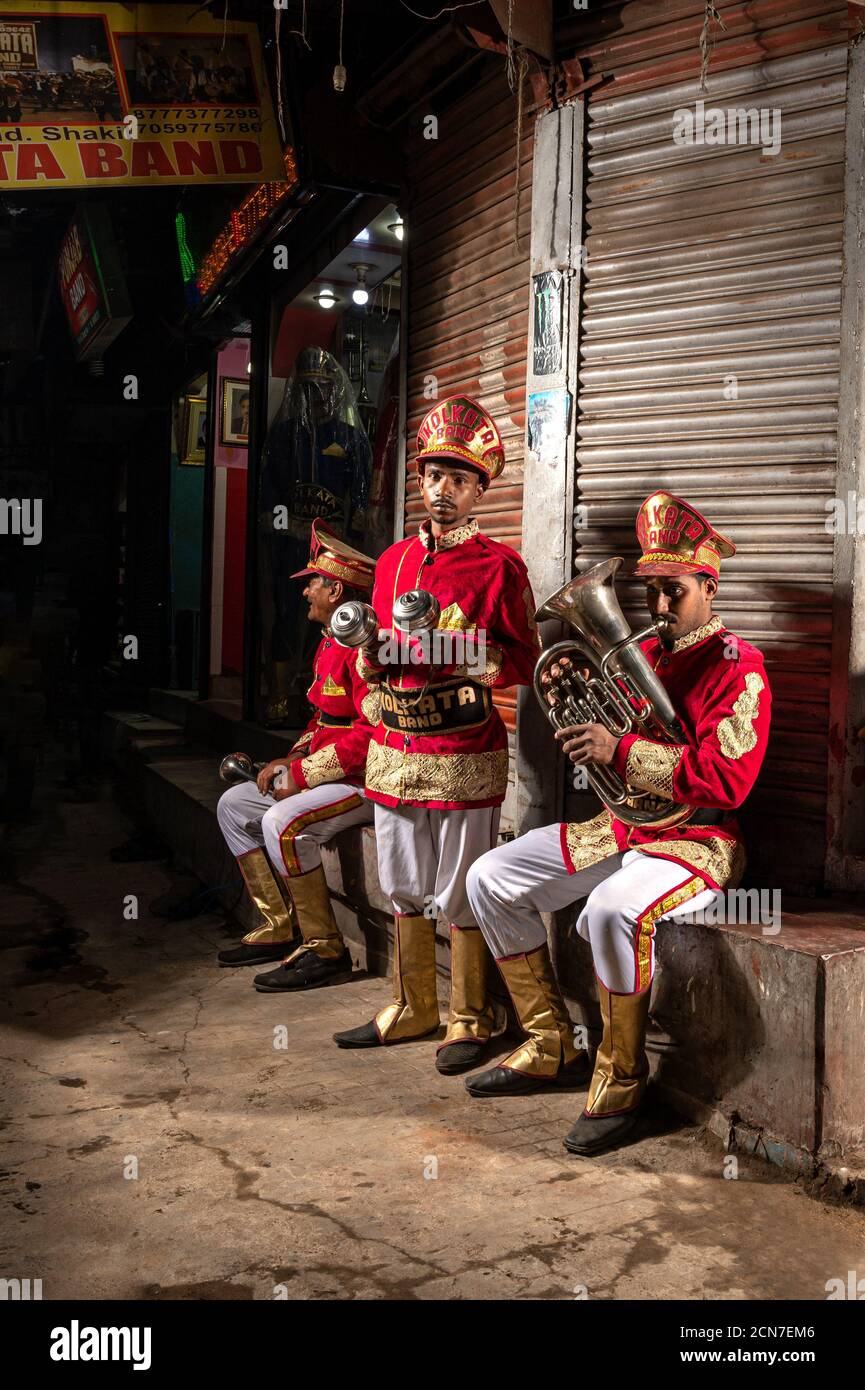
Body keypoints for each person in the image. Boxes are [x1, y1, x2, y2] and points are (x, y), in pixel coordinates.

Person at [464, 491, 772, 1155]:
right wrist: (586, 726)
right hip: (625, 828)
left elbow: (727, 780)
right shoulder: (645, 654)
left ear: (709, 587)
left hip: (697, 842)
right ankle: (549, 1041)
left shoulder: (739, 666)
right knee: (488, 877)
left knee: (610, 911)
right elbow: (611, 739)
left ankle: (622, 1079)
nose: (657, 606)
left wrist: (619, 749)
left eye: (673, 591)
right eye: (650, 591)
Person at [332, 395, 540, 1074]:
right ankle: (411, 1005)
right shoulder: (391, 561)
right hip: (395, 749)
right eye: (432, 476)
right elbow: (373, 653)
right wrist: (370, 658)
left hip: (463, 750)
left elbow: (524, 661)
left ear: (480, 490)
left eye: (457, 479)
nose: (442, 490)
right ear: (418, 482)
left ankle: (470, 1017)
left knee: (459, 888)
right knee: (399, 881)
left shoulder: (499, 567)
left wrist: (455, 650)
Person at [216, 520, 380, 990]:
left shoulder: (364, 651)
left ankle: (325, 949)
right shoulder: (329, 644)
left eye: (313, 583)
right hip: (325, 776)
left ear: (336, 590)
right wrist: (289, 761)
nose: (306, 591)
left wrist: (302, 776)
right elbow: (322, 721)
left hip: (363, 783)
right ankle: (279, 925)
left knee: (281, 822)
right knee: (234, 806)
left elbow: (370, 737)